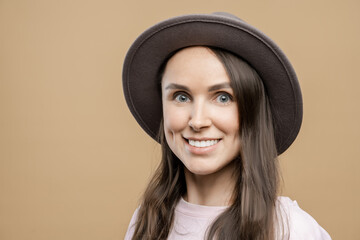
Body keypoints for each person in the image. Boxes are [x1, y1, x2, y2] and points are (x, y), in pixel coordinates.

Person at [122, 12, 331, 240]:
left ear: (252, 112)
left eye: (223, 97)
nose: (198, 121)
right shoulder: (145, 222)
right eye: (181, 97)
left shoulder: (291, 229)